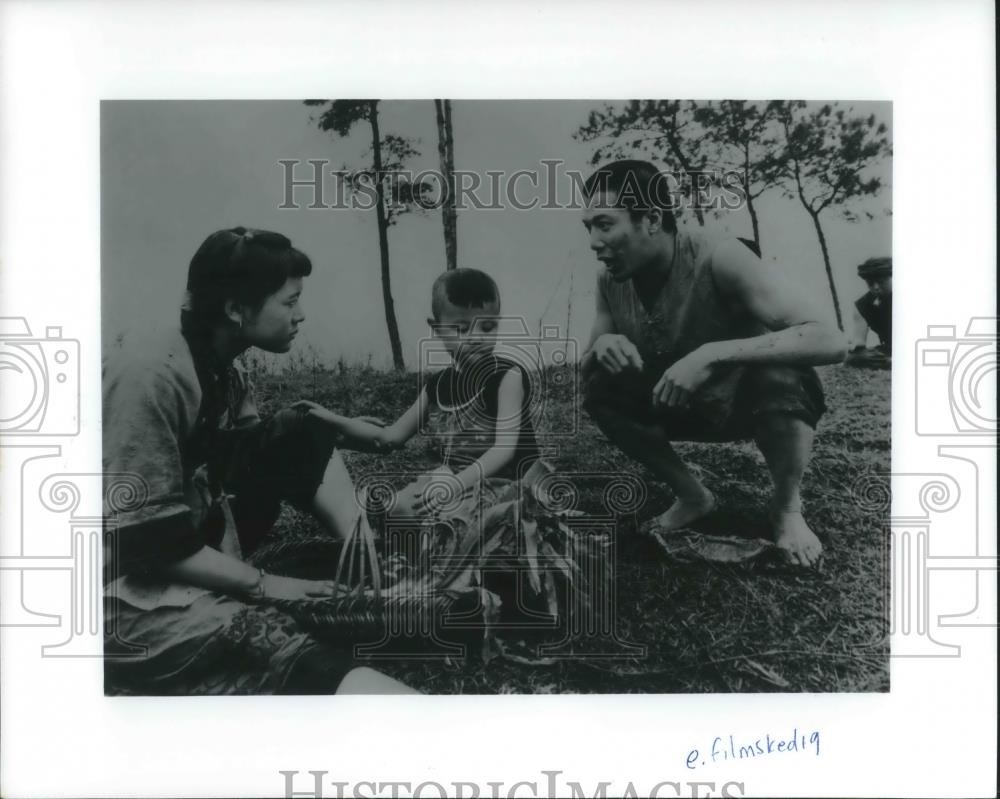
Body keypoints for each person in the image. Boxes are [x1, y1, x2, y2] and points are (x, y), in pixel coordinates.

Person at [103, 226, 416, 695]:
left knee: (300, 428)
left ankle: (363, 558)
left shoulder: (221, 366)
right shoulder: (152, 374)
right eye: (289, 303)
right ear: (235, 309)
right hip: (120, 579)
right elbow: (145, 537)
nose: (301, 315)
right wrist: (266, 584)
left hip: (188, 538)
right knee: (283, 654)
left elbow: (252, 458)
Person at [579, 160, 847, 567]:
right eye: (589, 228)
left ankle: (787, 508)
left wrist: (712, 354)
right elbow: (585, 369)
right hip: (676, 402)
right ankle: (693, 496)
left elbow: (830, 339)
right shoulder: (609, 279)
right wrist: (602, 347)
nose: (594, 242)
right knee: (602, 384)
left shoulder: (721, 255)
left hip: (749, 401)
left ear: (651, 219)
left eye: (604, 224)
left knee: (785, 375)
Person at [300, 268, 543, 519]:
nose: (477, 338)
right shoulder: (438, 385)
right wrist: (332, 419)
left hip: (510, 485)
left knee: (448, 520)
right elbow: (388, 437)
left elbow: (504, 450)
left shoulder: (506, 377)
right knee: (398, 508)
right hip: (458, 484)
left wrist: (454, 485)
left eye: (488, 327)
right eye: (461, 329)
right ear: (436, 328)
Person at [848, 256, 892, 362]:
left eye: (881, 281)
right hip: (888, 349)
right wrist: (855, 346)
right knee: (852, 358)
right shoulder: (862, 305)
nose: (876, 287)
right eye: (870, 283)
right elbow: (859, 340)